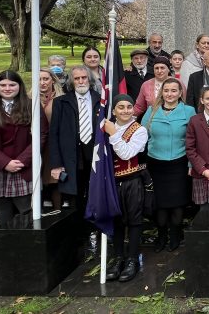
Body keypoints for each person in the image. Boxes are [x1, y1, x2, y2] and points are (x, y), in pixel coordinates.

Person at [0, 71, 46, 227]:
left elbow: (42, 135)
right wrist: (4, 162)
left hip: (23, 167)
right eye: (3, 85)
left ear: (19, 86)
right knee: (2, 210)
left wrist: (22, 160)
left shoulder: (32, 106)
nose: (7, 88)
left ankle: (29, 239)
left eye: (12, 85)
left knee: (27, 209)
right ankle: (5, 240)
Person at [141, 78, 196, 252]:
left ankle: (175, 236)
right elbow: (141, 136)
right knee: (159, 204)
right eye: (166, 90)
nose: (170, 94)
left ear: (180, 93)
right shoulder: (151, 110)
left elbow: (193, 140)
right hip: (156, 164)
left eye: (174, 90)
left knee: (177, 203)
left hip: (179, 163)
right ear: (161, 92)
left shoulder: (189, 111)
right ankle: (161, 236)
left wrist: (191, 164)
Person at [104, 94, 149, 282]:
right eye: (120, 107)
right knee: (116, 220)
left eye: (129, 107)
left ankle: (132, 259)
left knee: (134, 220)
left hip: (132, 181)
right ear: (114, 111)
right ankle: (118, 258)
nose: (125, 110)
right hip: (111, 182)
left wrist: (113, 134)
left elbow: (127, 153)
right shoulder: (104, 128)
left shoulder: (139, 130)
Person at [50, 65, 101, 222]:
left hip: (95, 156)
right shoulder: (60, 102)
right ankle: (78, 229)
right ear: (72, 82)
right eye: (77, 78)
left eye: (84, 77)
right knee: (75, 198)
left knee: (96, 194)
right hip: (72, 157)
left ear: (89, 80)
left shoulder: (101, 100)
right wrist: (56, 164)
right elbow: (54, 134)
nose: (81, 81)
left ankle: (95, 229)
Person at [39, 68, 64, 210]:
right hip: (35, 145)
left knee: (54, 180)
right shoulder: (29, 99)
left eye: (46, 79)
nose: (42, 82)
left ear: (52, 81)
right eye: (39, 79)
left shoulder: (61, 99)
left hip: (54, 145)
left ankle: (57, 211)